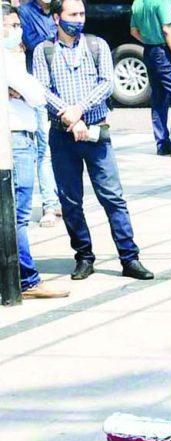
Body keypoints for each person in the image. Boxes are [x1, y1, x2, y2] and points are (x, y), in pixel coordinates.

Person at [32, 0, 154, 281]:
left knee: (112, 196)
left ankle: (129, 257)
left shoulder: (97, 46)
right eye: (72, 14)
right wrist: (70, 119)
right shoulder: (44, 51)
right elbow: (42, 89)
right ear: (56, 19)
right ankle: (84, 256)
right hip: (62, 135)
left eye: (82, 14)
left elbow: (106, 84)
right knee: (71, 200)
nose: (79, 19)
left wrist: (80, 111)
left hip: (96, 131)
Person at [3, 1, 68, 298]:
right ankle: (27, 279)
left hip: (19, 136)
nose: (18, 32)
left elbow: (32, 91)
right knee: (17, 214)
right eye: (12, 26)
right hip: (16, 140)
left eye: (18, 26)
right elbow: (37, 93)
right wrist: (22, 89)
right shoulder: (5, 59)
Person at [130, 0, 171, 157]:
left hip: (150, 50)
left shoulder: (138, 2)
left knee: (159, 97)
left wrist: (148, 41)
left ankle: (162, 143)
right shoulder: (163, 2)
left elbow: (133, 31)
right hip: (164, 51)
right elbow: (167, 29)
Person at [17, 0, 60, 227]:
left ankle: (59, 198)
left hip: (60, 88)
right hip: (36, 89)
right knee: (43, 149)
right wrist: (55, 37)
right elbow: (32, 43)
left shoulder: (59, 9)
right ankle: (50, 203)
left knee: (58, 147)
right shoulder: (24, 12)